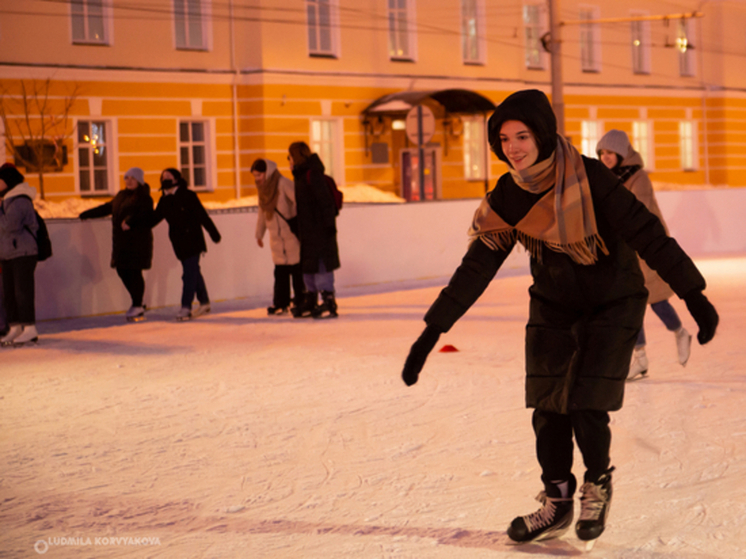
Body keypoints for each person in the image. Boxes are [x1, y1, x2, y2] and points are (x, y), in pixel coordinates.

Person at [400, 90, 719, 546]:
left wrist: (693, 293)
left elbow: (646, 232)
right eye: (504, 138)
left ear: (543, 134)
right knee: (548, 408)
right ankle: (557, 501)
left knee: (587, 402)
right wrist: (433, 329)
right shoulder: (510, 196)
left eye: (522, 135)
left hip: (614, 299)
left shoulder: (590, 177)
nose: (513, 147)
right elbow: (478, 266)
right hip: (553, 303)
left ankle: (597, 484)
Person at [597, 129, 692, 380]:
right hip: (623, 250)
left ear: (622, 153)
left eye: (610, 153)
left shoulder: (638, 178)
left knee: (657, 301)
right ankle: (640, 359)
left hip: (646, 248)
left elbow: (637, 210)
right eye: (602, 153)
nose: (606, 157)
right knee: (631, 306)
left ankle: (680, 332)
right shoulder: (605, 179)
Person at [79, 167, 154, 321]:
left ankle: (137, 304)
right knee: (122, 270)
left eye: (133, 178)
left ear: (139, 180)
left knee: (134, 272)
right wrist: (87, 214)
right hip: (122, 242)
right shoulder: (121, 195)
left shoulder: (144, 197)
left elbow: (145, 214)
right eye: (127, 178)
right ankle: (138, 301)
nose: (129, 181)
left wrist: (130, 221)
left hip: (138, 242)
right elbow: (108, 207)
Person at [151, 168, 221, 321]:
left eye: (169, 177)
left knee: (188, 274)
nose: (165, 180)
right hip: (179, 243)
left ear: (176, 179)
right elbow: (153, 219)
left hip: (193, 240)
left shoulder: (188, 196)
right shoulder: (164, 200)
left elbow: (202, 215)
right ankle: (204, 302)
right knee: (193, 271)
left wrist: (213, 233)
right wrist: (134, 224)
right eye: (163, 178)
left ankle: (185, 307)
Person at [288, 141, 340, 318]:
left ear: (295, 156)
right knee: (308, 266)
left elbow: (325, 203)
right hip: (308, 231)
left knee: (321, 265)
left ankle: (328, 299)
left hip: (319, 230)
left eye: (289, 157)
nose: (288, 161)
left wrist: (328, 227)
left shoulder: (312, 174)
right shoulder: (301, 176)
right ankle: (311, 298)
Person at [251, 158, 304, 316]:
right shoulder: (263, 190)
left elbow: (299, 201)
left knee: (296, 271)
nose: (257, 179)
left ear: (267, 172)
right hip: (276, 239)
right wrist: (259, 234)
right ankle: (281, 303)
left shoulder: (283, 183)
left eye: (259, 175)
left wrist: (298, 218)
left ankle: (301, 301)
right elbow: (262, 214)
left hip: (290, 236)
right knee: (280, 272)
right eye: (255, 176)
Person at [0, 163, 40, 345]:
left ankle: (29, 327)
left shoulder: (19, 199)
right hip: (9, 253)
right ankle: (15, 326)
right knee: (9, 292)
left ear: (7, 181)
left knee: (22, 292)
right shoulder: (7, 199)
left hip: (23, 252)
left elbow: (9, 226)